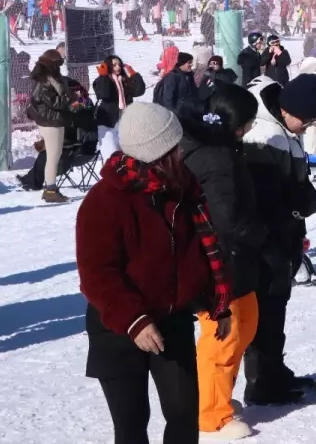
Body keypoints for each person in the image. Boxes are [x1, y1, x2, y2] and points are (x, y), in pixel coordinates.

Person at [76, 102, 233, 444]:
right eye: (176, 147)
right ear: (158, 154)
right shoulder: (105, 201)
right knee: (132, 423)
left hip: (170, 316)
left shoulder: (181, 190)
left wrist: (216, 302)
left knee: (182, 411)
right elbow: (96, 274)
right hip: (118, 322)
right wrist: (135, 320)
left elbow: (199, 254)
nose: (183, 152)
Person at [179, 84, 265, 440]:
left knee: (245, 324)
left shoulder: (219, 150)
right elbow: (226, 219)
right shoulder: (216, 158)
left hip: (233, 258)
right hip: (219, 259)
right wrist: (260, 234)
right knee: (224, 334)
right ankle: (210, 413)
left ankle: (221, 397)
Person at [241, 72, 316, 406]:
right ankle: (261, 380)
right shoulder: (265, 135)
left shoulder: (285, 128)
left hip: (284, 234)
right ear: (287, 109)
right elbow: (265, 197)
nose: (307, 126)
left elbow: (293, 184)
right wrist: (297, 205)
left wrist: (302, 202)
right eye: (306, 119)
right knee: (266, 309)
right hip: (265, 239)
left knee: (278, 306)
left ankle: (274, 368)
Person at [28, 49, 77, 204]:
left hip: (54, 121)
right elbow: (56, 103)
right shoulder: (45, 81)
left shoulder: (50, 78)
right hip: (51, 122)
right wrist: (70, 99)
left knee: (53, 155)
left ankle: (50, 189)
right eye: (58, 64)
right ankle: (50, 190)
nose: (60, 67)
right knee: (53, 157)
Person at [92, 55, 146, 161]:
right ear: (108, 66)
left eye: (119, 64)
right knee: (111, 157)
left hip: (124, 123)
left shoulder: (124, 80)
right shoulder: (101, 81)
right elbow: (104, 94)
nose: (118, 67)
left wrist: (134, 75)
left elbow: (139, 91)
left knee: (127, 157)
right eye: (114, 65)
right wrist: (103, 76)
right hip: (108, 124)